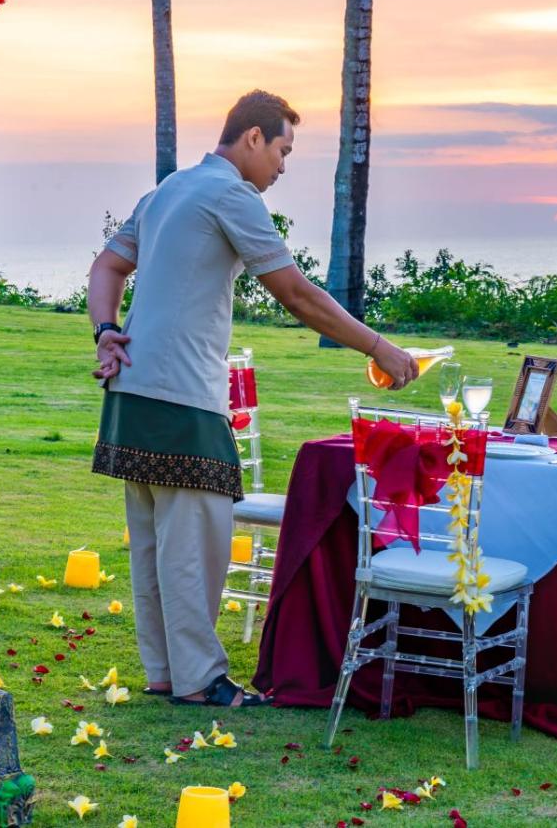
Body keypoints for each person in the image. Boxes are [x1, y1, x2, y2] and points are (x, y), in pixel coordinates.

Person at [87, 90, 418, 707]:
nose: (283, 167)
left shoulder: (167, 191)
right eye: (283, 151)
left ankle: (167, 672)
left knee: (156, 543)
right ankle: (200, 679)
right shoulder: (232, 194)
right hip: (183, 395)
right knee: (197, 541)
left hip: (132, 390)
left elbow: (106, 266)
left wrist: (106, 329)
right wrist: (379, 347)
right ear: (253, 138)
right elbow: (296, 293)